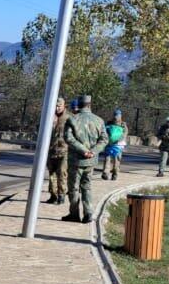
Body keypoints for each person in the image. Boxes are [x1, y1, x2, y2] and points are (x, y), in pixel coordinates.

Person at [63, 94, 108, 223]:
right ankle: (88, 213)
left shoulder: (72, 119)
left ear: (79, 104)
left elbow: (68, 138)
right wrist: (92, 152)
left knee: (73, 188)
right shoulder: (99, 120)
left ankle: (74, 214)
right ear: (90, 104)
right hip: (91, 161)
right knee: (87, 186)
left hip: (76, 160)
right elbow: (104, 139)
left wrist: (84, 150)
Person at [46, 97, 69, 204]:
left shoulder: (69, 118)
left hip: (65, 151)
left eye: (59, 106)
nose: (57, 108)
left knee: (62, 173)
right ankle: (53, 195)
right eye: (55, 106)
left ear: (64, 106)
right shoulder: (50, 117)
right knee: (51, 174)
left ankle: (61, 195)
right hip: (51, 150)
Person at [103, 109, 128, 180]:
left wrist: (118, 141)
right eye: (115, 115)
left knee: (116, 160)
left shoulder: (123, 125)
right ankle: (106, 173)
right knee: (107, 158)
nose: (116, 117)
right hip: (111, 143)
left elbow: (124, 134)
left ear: (120, 116)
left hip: (118, 145)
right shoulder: (109, 123)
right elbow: (104, 132)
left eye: (118, 115)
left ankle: (115, 173)